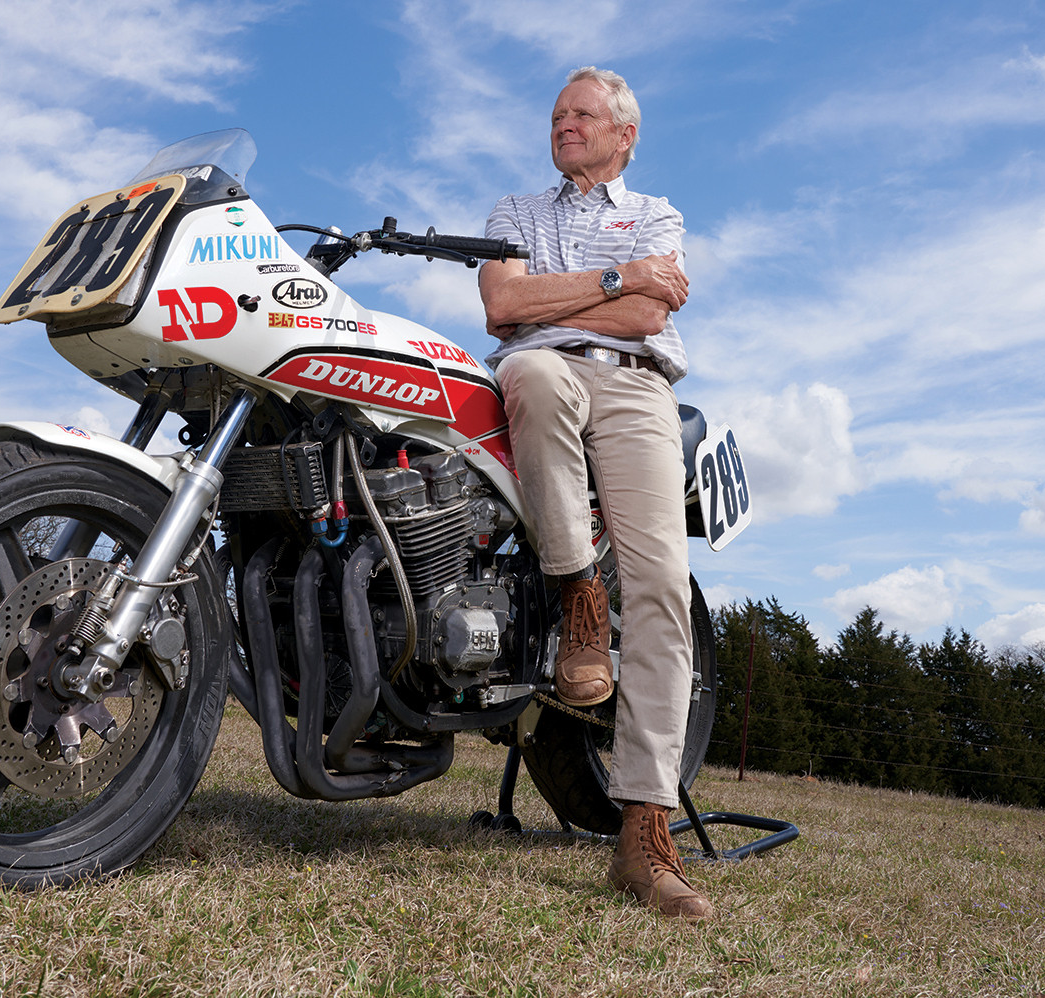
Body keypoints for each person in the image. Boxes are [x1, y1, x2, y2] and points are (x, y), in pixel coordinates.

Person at [478, 66, 710, 920]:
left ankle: (645, 830)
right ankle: (577, 589)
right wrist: (619, 281)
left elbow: (653, 320)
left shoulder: (658, 216)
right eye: (556, 114)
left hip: (639, 387)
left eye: (582, 114)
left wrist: (561, 303)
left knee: (656, 593)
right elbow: (505, 306)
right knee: (532, 369)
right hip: (544, 374)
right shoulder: (515, 213)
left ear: (624, 134)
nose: (565, 124)